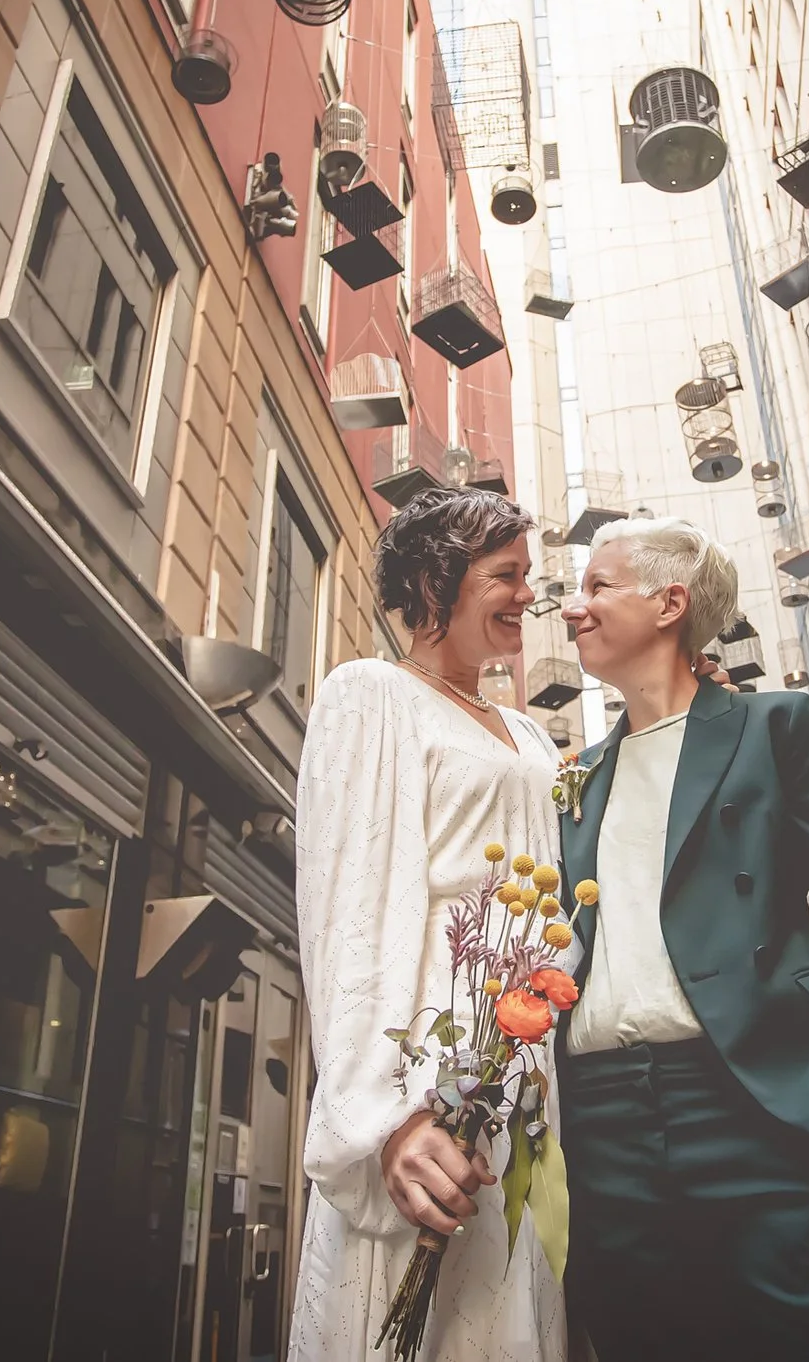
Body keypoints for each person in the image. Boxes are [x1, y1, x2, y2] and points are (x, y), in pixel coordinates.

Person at [556, 517, 809, 1361]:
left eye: (597, 588)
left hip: (769, 1101)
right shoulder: (576, 779)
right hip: (608, 1128)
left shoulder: (776, 727)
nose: (573, 609)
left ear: (669, 603)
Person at [290, 489, 568, 1362]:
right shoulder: (368, 694)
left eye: (530, 576)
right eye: (506, 575)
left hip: (523, 1065)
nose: (529, 595)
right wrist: (386, 1117)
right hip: (422, 1048)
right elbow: (347, 910)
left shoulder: (527, 733)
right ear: (432, 579)